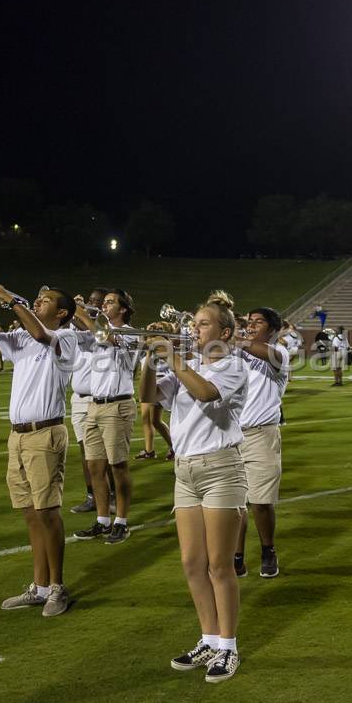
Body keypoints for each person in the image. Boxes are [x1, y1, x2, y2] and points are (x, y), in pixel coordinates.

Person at [139, 300, 248, 682]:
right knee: (191, 563)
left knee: (220, 566)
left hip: (221, 468)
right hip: (184, 470)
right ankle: (208, 637)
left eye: (203, 324)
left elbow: (205, 394)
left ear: (225, 333)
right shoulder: (189, 365)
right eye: (194, 324)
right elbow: (149, 397)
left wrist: (171, 355)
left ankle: (228, 647)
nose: (194, 329)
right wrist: (150, 358)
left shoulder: (233, 364)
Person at [0, 285, 79, 618]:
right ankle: (40, 586)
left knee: (48, 512)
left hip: (45, 433)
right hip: (17, 436)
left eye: (45, 301)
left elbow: (42, 334)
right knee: (30, 513)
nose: (37, 301)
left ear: (61, 313)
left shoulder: (67, 337)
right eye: (36, 299)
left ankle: (58, 587)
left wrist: (13, 302)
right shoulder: (23, 336)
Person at [73, 289, 139, 544]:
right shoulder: (97, 329)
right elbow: (78, 335)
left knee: (118, 466)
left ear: (122, 309)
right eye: (104, 302)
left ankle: (121, 521)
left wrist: (82, 312)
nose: (104, 306)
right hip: (94, 405)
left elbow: (105, 336)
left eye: (110, 303)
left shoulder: (130, 333)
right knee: (95, 467)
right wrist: (71, 314)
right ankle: (102, 520)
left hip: (117, 406)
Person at [233, 306, 289, 579]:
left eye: (258, 322)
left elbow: (269, 355)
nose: (252, 326)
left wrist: (233, 338)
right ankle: (236, 556)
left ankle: (268, 550)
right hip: (231, 436)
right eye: (249, 321)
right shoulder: (235, 352)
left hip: (261, 434)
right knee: (233, 503)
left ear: (273, 329)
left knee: (261, 502)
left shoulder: (280, 353)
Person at [136, 321, 176, 459]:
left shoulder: (164, 349)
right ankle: (171, 447)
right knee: (153, 420)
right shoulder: (148, 347)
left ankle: (151, 450)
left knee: (148, 419)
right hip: (152, 384)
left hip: (158, 384)